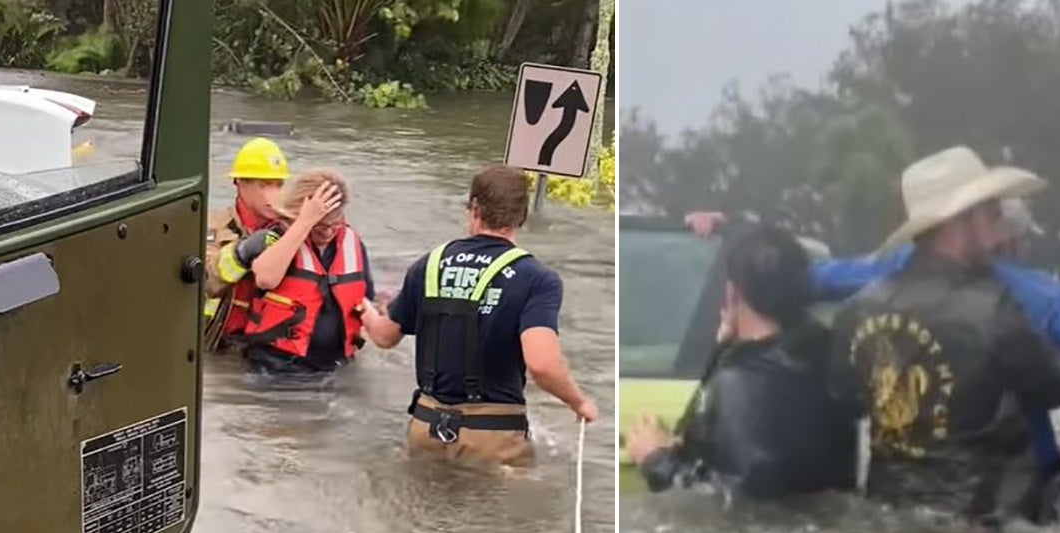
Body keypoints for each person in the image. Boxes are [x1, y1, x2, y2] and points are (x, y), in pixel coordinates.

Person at [687, 198, 1060, 523]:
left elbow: (798, 280)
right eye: (991, 213)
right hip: (1000, 503)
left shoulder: (875, 288)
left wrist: (739, 236)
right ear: (971, 223)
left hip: (892, 501)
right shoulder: (1039, 297)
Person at [829, 146, 1060, 524]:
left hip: (890, 509)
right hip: (983, 517)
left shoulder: (856, 309)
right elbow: (1056, 387)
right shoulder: (995, 307)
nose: (1000, 231)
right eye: (992, 215)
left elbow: (846, 401)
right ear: (959, 221)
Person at [358, 164, 597, 466]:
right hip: (493, 438)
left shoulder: (427, 266)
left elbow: (383, 336)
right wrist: (580, 402)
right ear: (522, 216)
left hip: (425, 427)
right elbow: (543, 365)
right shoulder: (536, 278)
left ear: (473, 209)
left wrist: (364, 308)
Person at [624, 223, 858, 499]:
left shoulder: (742, 383)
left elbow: (734, 504)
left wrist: (657, 460)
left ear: (732, 293)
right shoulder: (831, 352)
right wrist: (723, 348)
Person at [215, 169, 376, 375]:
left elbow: (367, 301)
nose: (327, 231)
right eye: (320, 226)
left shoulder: (352, 244)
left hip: (334, 367)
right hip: (277, 368)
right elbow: (265, 279)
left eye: (334, 224)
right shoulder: (276, 237)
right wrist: (305, 222)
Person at [203, 138, 290, 352]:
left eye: (279, 185)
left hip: (267, 353)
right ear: (241, 183)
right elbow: (207, 281)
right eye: (264, 185)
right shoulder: (211, 227)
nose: (274, 195)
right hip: (216, 346)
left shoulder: (291, 232)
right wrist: (243, 251)